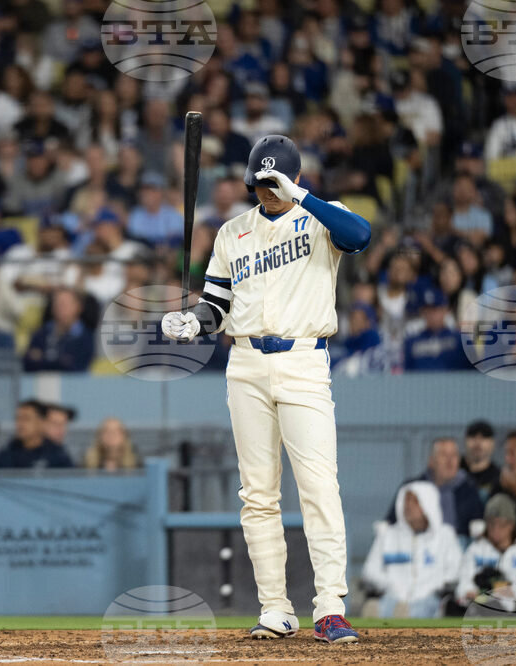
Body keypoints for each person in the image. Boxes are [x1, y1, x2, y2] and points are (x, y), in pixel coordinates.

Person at [162, 135, 371, 642]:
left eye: (275, 182)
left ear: (295, 178)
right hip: (246, 364)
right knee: (258, 495)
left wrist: (300, 197)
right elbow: (218, 305)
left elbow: (359, 235)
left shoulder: (320, 216)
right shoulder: (233, 232)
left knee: (319, 487)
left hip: (304, 361)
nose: (266, 191)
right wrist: (195, 321)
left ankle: (329, 608)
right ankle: (275, 608)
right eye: (259, 183)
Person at [363, 481, 461, 618]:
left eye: (415, 501)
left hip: (430, 598)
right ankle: (381, 612)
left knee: (426, 606)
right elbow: (370, 569)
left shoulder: (445, 535)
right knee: (384, 605)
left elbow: (454, 570)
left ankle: (402, 615)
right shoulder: (387, 535)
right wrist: (390, 585)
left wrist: (434, 585)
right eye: (406, 500)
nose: (408, 506)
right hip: (393, 596)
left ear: (428, 504)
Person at [454, 494, 516, 608]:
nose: (495, 529)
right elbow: (464, 579)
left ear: (512, 524)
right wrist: (468, 591)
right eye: (491, 524)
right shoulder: (476, 548)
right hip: (481, 605)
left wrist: (513, 592)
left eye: (501, 524)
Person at [386, 438, 484, 536]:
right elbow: (392, 521)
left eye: (454, 455)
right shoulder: (412, 488)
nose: (450, 461)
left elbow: (479, 523)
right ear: (431, 461)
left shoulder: (469, 489)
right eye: (444, 455)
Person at [22, 288, 95, 372]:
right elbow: (28, 363)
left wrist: (43, 358)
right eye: (56, 304)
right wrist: (61, 360)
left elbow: (76, 367)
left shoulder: (86, 337)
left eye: (64, 304)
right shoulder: (40, 334)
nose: (59, 308)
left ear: (78, 307)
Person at [0, 400, 74, 469]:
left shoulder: (58, 456)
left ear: (41, 422)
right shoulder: (2, 456)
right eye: (18, 418)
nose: (20, 424)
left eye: (26, 419)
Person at [402, 288, 473, 371]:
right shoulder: (411, 341)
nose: (432, 315)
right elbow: (406, 375)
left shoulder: (460, 339)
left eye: (436, 309)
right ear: (423, 312)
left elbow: (474, 373)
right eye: (429, 310)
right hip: (421, 383)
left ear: (445, 310)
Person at [463, 420, 499, 501]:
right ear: (465, 441)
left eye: (484, 438)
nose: (478, 442)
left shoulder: (499, 477)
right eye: (473, 437)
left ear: (493, 443)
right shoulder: (453, 472)